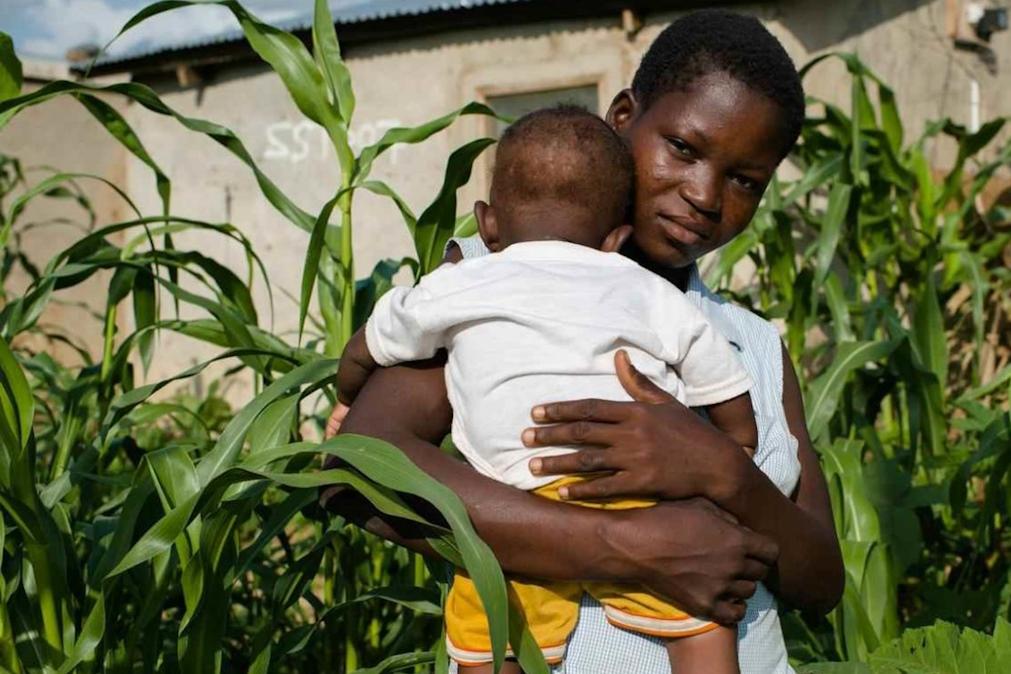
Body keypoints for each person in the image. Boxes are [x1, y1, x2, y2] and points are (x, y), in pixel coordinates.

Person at [324, 9, 844, 673]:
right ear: (624, 114)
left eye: (745, 181)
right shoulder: (493, 292)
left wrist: (721, 471)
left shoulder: (749, 346)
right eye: (682, 148)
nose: (705, 195)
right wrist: (623, 544)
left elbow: (821, 582)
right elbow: (359, 471)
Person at [336, 106, 759, 672]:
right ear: (615, 238)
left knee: (488, 636)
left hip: (514, 514)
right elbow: (712, 366)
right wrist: (737, 441)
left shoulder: (459, 283)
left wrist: (345, 393)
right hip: (632, 494)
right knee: (702, 624)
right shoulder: (642, 287)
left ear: (487, 224)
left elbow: (376, 339)